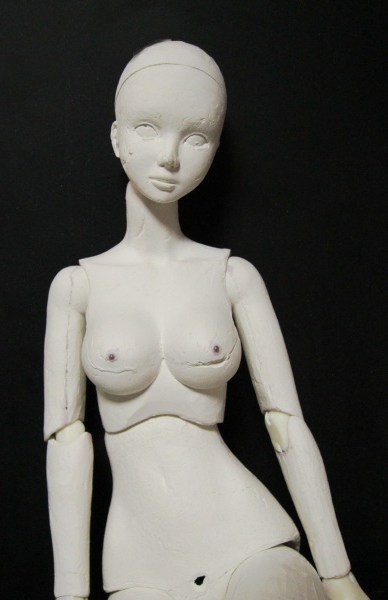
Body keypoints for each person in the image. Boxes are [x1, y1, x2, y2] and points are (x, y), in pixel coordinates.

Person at [44, 41, 369, 600]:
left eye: (196, 136)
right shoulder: (78, 287)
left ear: (215, 149)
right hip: (138, 561)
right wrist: (70, 591)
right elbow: (67, 443)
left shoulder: (232, 277)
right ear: (117, 138)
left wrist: (338, 574)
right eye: (148, 128)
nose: (170, 156)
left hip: (249, 538)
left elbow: (286, 423)